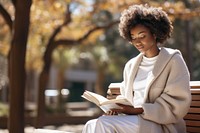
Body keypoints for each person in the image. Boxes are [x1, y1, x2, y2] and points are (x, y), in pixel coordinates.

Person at [82, 4, 191, 133]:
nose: (137, 42)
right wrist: (115, 109)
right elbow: (127, 98)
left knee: (103, 124)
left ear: (155, 33)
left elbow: (175, 103)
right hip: (132, 120)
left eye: (142, 36)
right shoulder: (131, 65)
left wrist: (138, 110)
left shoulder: (173, 60)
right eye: (133, 37)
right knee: (90, 124)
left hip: (159, 125)